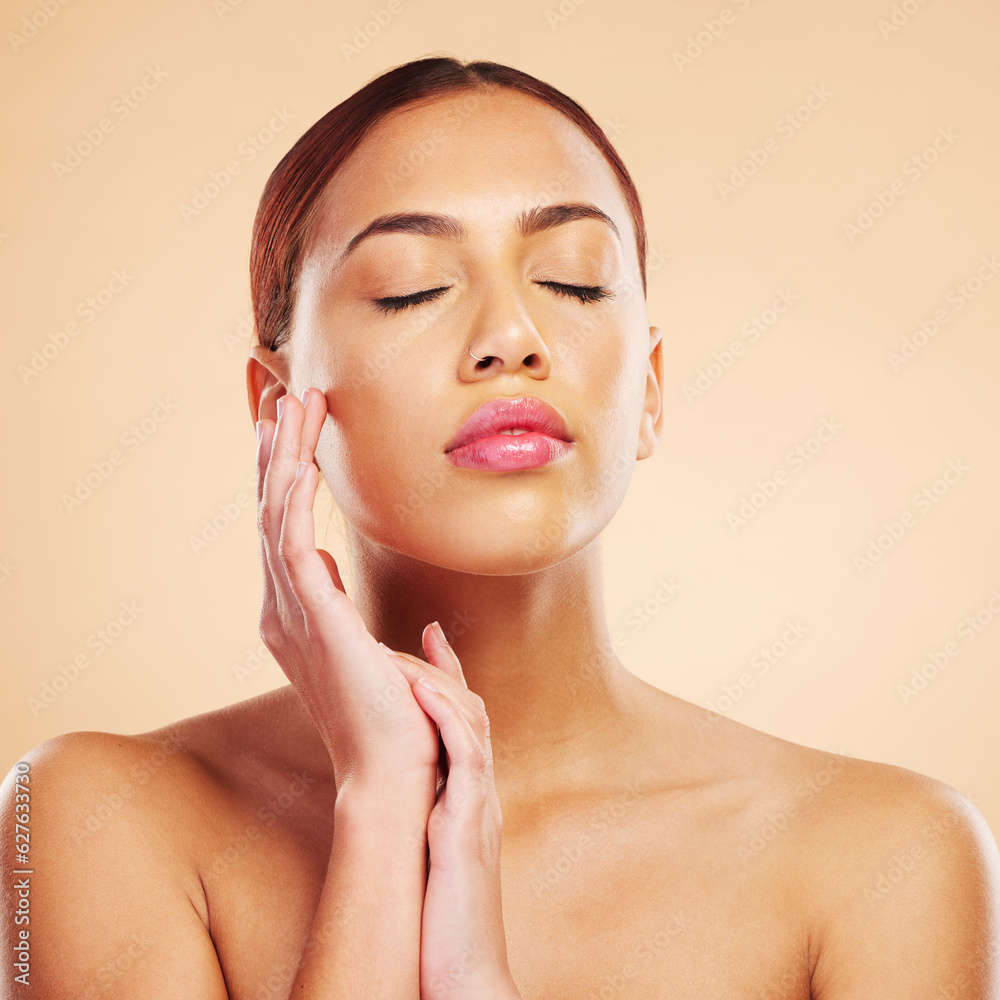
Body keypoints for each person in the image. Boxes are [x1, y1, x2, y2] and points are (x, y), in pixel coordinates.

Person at [3, 55, 998, 1000]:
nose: (511, 340)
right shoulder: (90, 818)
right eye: (410, 289)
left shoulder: (890, 855)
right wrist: (384, 802)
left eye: (571, 280)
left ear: (648, 392)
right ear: (278, 406)